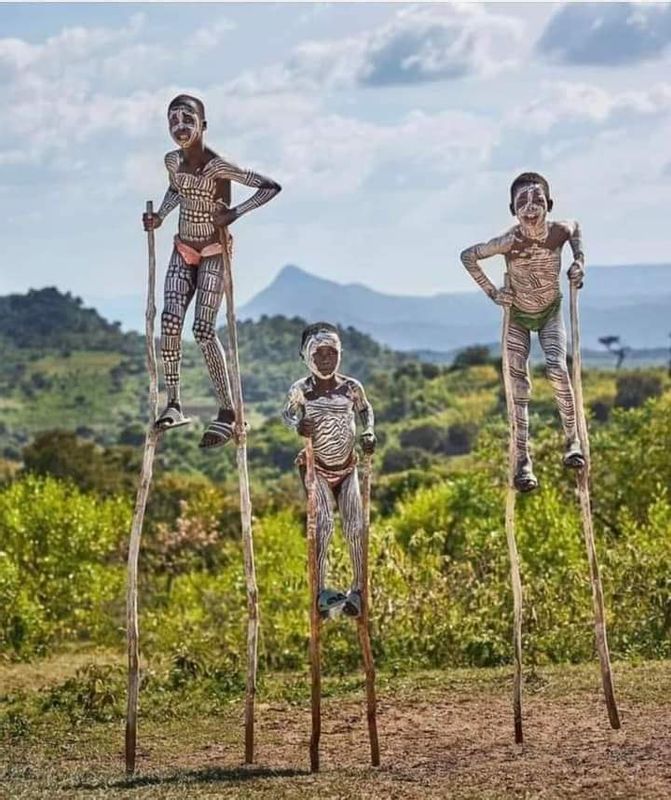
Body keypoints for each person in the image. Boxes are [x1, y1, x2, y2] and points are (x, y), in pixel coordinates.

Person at [142, 94, 281, 447]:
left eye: (187, 119)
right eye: (172, 120)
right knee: (169, 322)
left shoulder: (218, 167)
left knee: (204, 330)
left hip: (214, 251)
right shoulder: (172, 161)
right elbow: (176, 189)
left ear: (203, 124)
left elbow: (269, 187)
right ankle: (173, 402)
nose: (180, 127)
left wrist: (236, 213)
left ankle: (227, 411)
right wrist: (160, 216)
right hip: (183, 247)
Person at [460, 172, 585, 492]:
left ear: (549, 205)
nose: (530, 208)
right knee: (518, 387)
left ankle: (573, 441)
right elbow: (469, 256)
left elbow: (576, 228)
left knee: (557, 369)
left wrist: (579, 262)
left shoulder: (559, 232)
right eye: (522, 203)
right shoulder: (509, 241)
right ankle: (523, 460)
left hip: (551, 312)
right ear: (513, 210)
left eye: (538, 201)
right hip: (517, 315)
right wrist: (493, 292)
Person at [283, 323, 376, 618]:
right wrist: (298, 425)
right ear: (306, 356)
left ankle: (358, 591)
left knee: (356, 528)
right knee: (322, 527)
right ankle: (321, 593)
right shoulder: (301, 390)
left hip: (347, 469)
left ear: (340, 354)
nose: (326, 359)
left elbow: (364, 409)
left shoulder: (351, 387)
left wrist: (369, 431)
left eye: (332, 352)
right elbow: (287, 412)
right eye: (319, 353)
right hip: (318, 469)